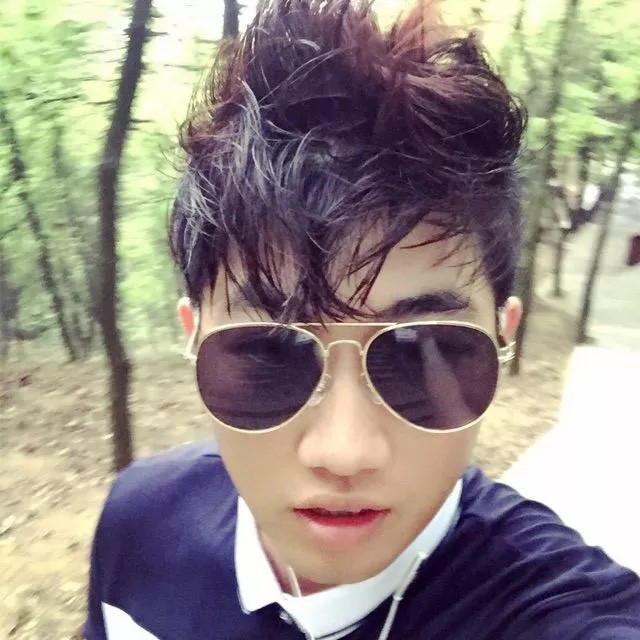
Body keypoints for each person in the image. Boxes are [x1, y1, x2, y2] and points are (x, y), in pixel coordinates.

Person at [84, 1, 640, 638]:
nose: (344, 453)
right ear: (194, 338)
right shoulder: (138, 521)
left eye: (420, 350)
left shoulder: (559, 613)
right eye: (271, 353)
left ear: (502, 339)